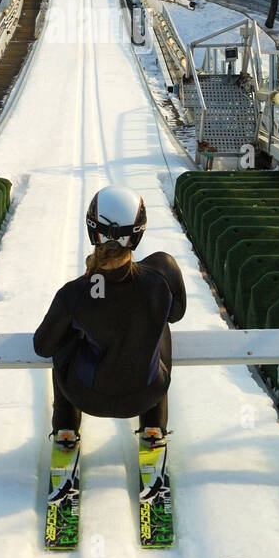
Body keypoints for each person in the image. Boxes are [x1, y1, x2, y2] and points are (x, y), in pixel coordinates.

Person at [33, 186, 186, 451]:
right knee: (159, 323)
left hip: (85, 395)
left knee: (66, 338)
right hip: (147, 394)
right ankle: (153, 426)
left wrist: (80, 323)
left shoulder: (75, 293)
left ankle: (66, 428)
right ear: (138, 233)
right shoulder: (162, 274)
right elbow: (176, 314)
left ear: (93, 231)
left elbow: (43, 346)